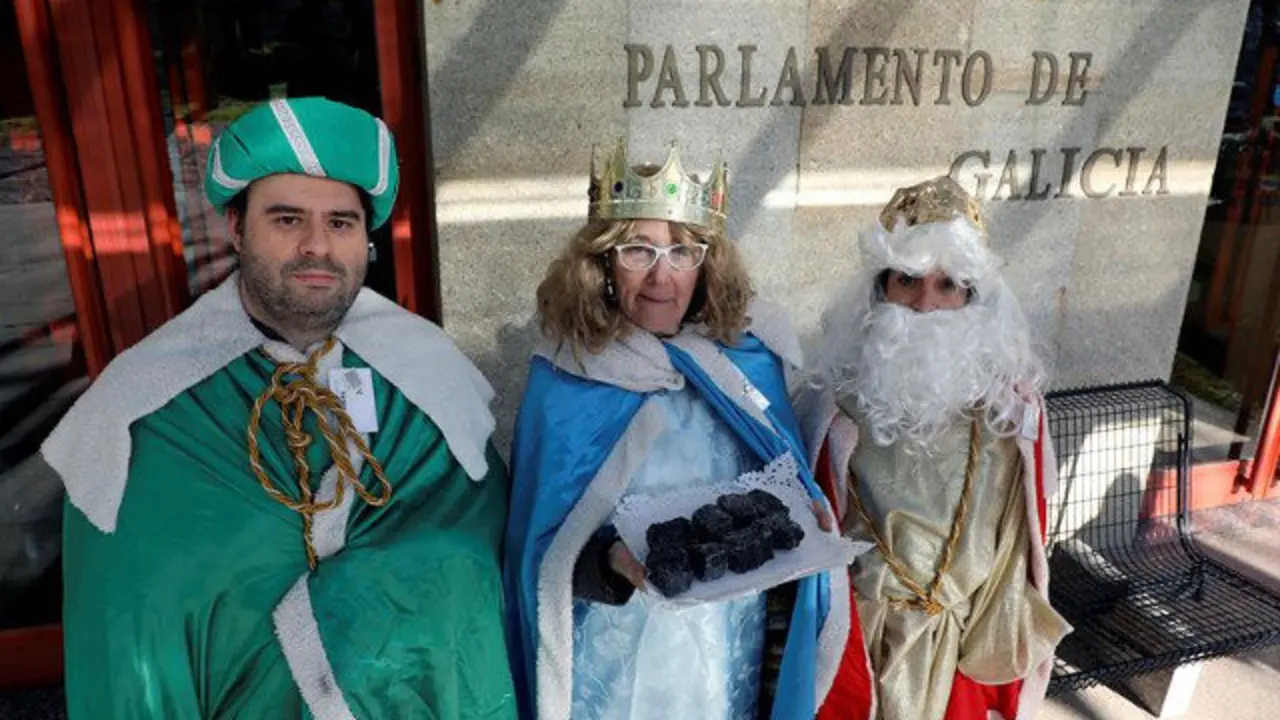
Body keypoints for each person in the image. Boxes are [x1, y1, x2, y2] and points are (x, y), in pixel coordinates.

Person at [43, 97, 516, 719]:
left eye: (341, 223)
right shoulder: (142, 410)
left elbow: (483, 560)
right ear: (236, 228)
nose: (317, 247)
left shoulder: (432, 374)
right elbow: (128, 636)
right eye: (288, 220)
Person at [503, 140, 858, 720]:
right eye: (637, 249)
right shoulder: (567, 377)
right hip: (610, 644)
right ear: (601, 265)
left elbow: (780, 482)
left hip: (724, 639)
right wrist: (610, 562)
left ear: (708, 264)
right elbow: (535, 542)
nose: (661, 275)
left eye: (683, 251)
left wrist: (804, 517)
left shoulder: (747, 361)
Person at [797, 175, 1072, 720]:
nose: (926, 305)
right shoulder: (830, 408)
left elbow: (1016, 550)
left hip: (956, 652)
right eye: (909, 280)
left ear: (974, 298)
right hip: (853, 643)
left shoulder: (1008, 417)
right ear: (880, 289)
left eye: (947, 286)